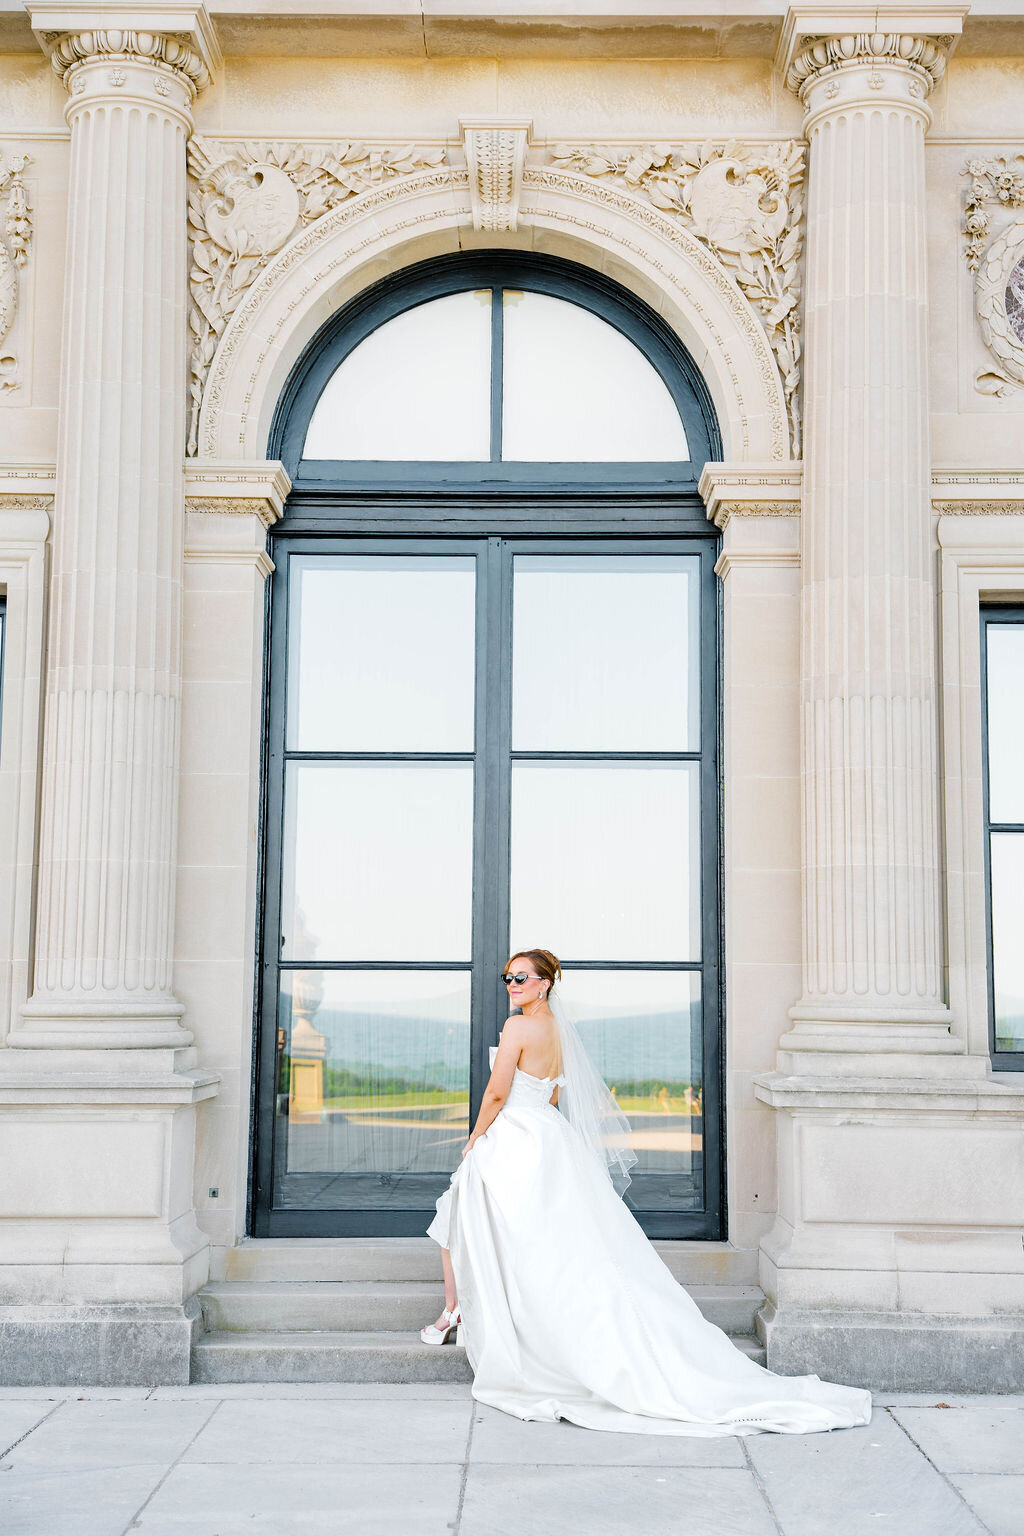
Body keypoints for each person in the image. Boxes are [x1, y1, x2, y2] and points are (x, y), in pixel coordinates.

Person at [420, 947, 872, 1438]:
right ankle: (459, 1309)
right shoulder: (554, 1029)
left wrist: (475, 1137)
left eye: (522, 977)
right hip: (546, 1135)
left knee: (465, 1211)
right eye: (507, 977)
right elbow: (554, 1093)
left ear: (545, 982)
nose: (512, 984)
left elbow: (496, 1092)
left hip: (514, 1133)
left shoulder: (518, 1028)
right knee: (510, 1225)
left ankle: (455, 1311)